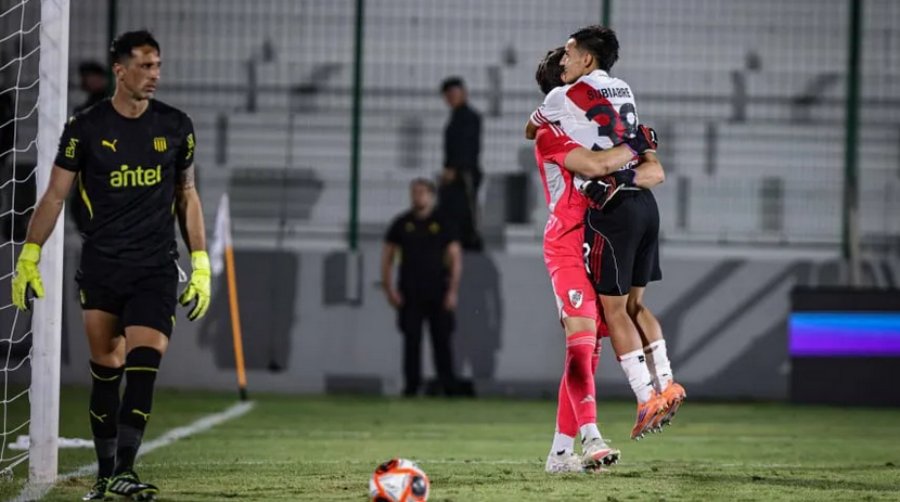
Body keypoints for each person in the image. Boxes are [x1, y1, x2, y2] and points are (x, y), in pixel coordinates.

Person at [10, 30, 210, 500]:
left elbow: (187, 193)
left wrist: (199, 261)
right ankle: (105, 475)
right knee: (106, 368)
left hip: (154, 267)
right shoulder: (85, 128)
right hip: (102, 267)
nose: (153, 75)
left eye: (157, 65)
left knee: (145, 359)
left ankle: (124, 469)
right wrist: (30, 253)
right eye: (144, 66)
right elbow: (56, 196)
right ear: (119, 70)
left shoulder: (177, 126)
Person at [529, 26, 686, 440]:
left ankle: (644, 396)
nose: (564, 60)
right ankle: (665, 383)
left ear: (585, 59)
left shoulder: (557, 107)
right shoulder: (624, 92)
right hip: (645, 203)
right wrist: (635, 146)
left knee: (608, 319)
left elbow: (544, 135)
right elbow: (655, 168)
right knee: (635, 307)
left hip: (607, 213)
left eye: (569, 53)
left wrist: (615, 174)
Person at [381, 178, 462, 397]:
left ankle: (448, 385)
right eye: (414, 192)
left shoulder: (443, 223)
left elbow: (455, 258)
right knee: (411, 341)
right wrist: (389, 288)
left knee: (442, 340)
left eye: (422, 192)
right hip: (410, 292)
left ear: (431, 195)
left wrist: (452, 291)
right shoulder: (401, 223)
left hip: (438, 291)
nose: (418, 196)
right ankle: (411, 386)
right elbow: (387, 258)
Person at [440, 77, 483, 251]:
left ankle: (468, 248)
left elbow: (467, 147)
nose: (450, 98)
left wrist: (455, 169)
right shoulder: (457, 116)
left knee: (464, 215)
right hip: (457, 173)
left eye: (454, 93)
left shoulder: (468, 117)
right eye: (448, 94)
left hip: (463, 174)